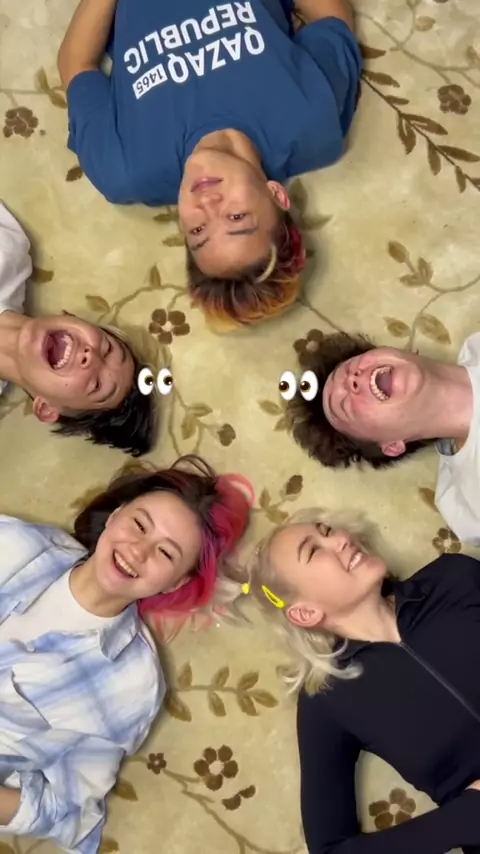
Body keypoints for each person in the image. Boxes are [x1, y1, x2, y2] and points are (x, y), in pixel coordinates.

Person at [58, 0, 362, 331]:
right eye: (236, 217)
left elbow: (77, 66)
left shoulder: (125, 170)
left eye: (198, 231)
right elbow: (332, 19)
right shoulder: (311, 121)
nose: (207, 204)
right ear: (276, 195)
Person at [0, 454, 251, 854]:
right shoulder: (13, 543)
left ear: (175, 584)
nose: (139, 550)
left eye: (166, 553)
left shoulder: (132, 685)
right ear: (116, 515)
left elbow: (67, 812)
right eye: (139, 525)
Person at [222, 507, 480, 853]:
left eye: (328, 531)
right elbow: (329, 848)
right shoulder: (326, 699)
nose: (342, 539)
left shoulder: (453, 578)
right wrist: (465, 818)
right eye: (314, 551)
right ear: (306, 612)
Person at [284, 330, 480, 545]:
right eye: (344, 406)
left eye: (350, 367)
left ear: (405, 352)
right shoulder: (469, 499)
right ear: (392, 446)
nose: (352, 379)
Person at [0, 200, 159, 456]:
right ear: (72, 318)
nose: (90, 357)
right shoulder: (8, 251)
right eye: (106, 349)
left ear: (46, 409)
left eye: (96, 385)